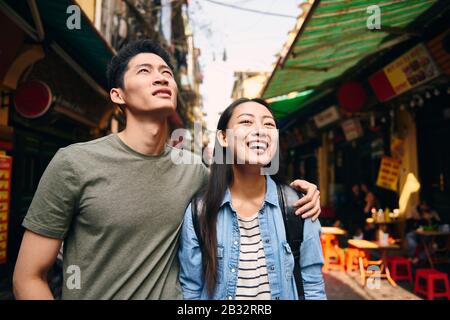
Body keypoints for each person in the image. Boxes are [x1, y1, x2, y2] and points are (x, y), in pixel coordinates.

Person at [13, 40, 322, 300]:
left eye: (166, 73)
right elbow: (28, 278)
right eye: (144, 71)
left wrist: (303, 195)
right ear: (118, 95)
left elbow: (247, 189)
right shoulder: (74, 163)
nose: (161, 78)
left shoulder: (195, 172)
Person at [178, 98, 326, 300]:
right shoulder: (200, 210)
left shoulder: (299, 205)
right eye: (246, 122)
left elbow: (313, 287)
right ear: (223, 138)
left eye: (269, 124)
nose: (261, 130)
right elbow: (191, 290)